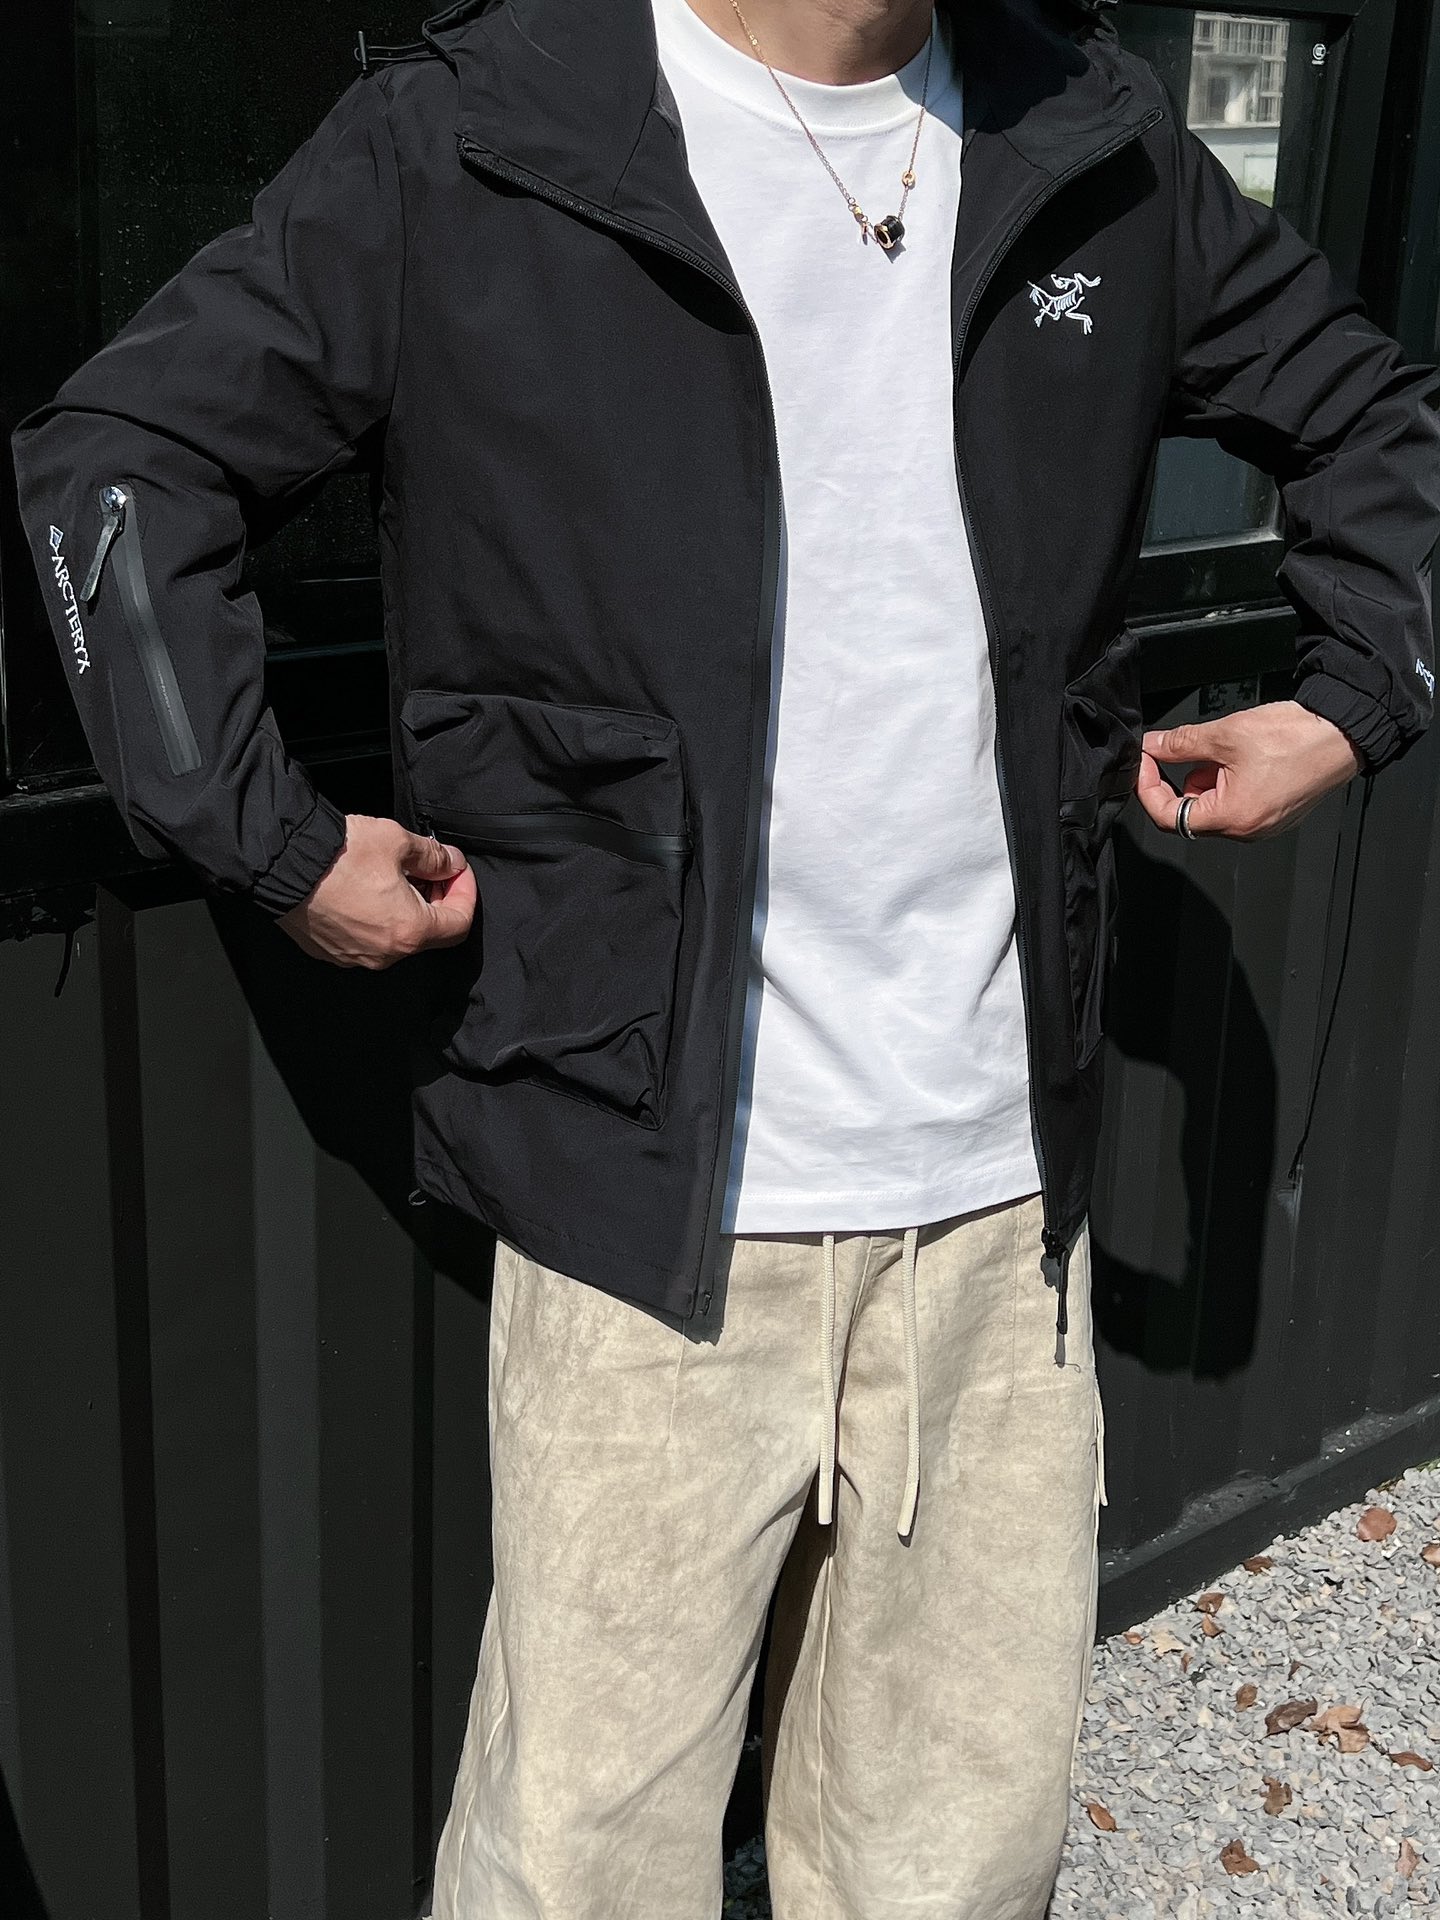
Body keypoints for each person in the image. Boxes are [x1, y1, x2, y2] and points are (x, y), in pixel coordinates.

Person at [11, 0, 1439, 1911]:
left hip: (1000, 1220)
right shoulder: (488, 132)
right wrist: (267, 845)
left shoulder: (1088, 140)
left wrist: (1355, 701)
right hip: (647, 1214)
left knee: (955, 1868)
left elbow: (1380, 416)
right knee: (579, 1872)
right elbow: (118, 462)